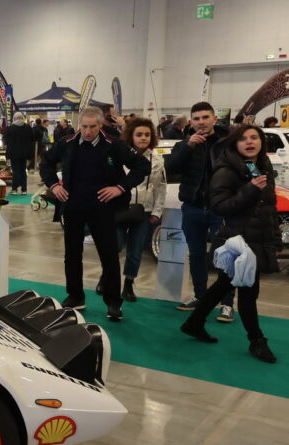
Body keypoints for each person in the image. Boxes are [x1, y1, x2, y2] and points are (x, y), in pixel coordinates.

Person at [180, 124, 279, 363]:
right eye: (243, 138)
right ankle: (257, 340)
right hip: (239, 241)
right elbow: (220, 206)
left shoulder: (260, 166)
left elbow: (268, 207)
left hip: (256, 239)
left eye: (254, 137)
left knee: (224, 284)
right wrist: (249, 190)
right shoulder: (226, 170)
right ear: (235, 144)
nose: (249, 142)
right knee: (247, 290)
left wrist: (274, 239)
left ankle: (194, 322)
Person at [40, 106, 150, 321]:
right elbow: (46, 163)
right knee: (72, 254)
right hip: (73, 207)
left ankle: (113, 302)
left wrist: (120, 187)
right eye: (84, 126)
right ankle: (75, 296)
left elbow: (142, 166)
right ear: (78, 125)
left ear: (101, 125)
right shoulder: (67, 142)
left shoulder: (114, 145)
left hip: (103, 209)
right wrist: (54, 185)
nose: (88, 131)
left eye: (92, 127)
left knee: (109, 256)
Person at [166, 102, 235, 319]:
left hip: (221, 210)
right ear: (191, 122)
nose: (201, 122)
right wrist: (189, 146)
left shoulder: (228, 143)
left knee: (225, 257)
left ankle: (227, 304)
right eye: (196, 119)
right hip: (193, 209)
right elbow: (170, 169)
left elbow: (247, 165)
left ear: (214, 119)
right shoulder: (183, 145)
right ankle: (200, 296)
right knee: (196, 255)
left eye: (205, 117)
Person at [117, 119, 167, 302]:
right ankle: (106, 277)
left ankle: (128, 285)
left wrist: (156, 212)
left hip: (144, 212)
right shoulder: (119, 156)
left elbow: (161, 188)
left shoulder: (158, 160)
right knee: (114, 246)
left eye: (147, 134)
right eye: (139, 134)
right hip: (119, 209)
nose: (143, 138)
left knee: (135, 250)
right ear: (131, 136)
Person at [3, 112, 35, 194]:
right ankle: (24, 190)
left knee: (15, 171)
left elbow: (5, 141)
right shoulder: (28, 128)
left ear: (14, 118)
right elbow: (32, 139)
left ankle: (14, 189)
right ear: (22, 118)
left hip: (14, 154)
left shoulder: (10, 128)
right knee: (23, 171)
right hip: (25, 153)